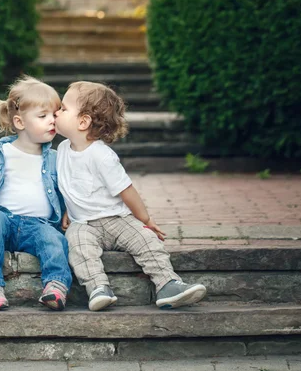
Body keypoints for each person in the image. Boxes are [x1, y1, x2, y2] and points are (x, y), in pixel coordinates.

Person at [54, 81, 206, 311]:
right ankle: (97, 288)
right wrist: (67, 209)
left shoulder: (102, 156)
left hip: (117, 219)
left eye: (63, 108)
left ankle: (168, 284)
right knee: (77, 246)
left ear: (83, 121)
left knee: (146, 241)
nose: (57, 112)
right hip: (83, 224)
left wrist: (144, 220)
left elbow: (127, 191)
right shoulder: (62, 151)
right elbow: (70, 185)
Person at [0, 76, 72, 311]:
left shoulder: (57, 159)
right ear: (20, 122)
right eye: (42, 116)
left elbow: (69, 190)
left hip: (38, 225)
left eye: (54, 114)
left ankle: (56, 285)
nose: (52, 121)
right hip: (4, 221)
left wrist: (70, 213)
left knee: (55, 240)